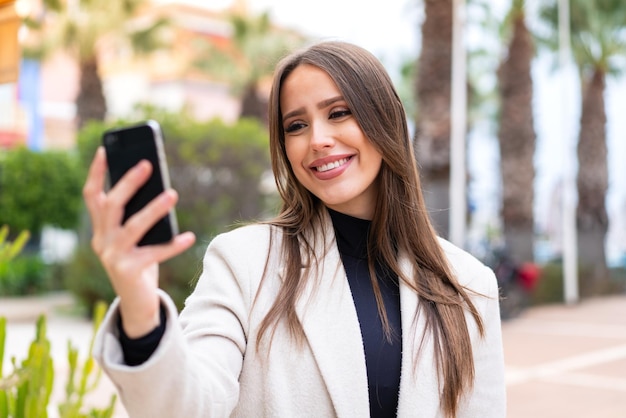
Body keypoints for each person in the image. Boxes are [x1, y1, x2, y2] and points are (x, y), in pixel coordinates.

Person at [84, 41, 506, 418]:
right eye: (296, 125)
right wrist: (139, 302)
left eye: (339, 113)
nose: (317, 139)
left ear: (385, 121)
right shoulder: (245, 261)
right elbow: (188, 406)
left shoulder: (469, 285)